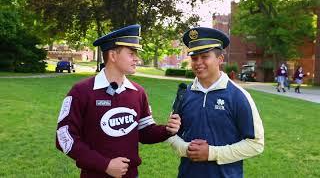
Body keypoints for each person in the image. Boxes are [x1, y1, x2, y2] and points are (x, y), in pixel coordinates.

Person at [55, 24, 181, 178]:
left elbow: (145, 132)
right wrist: (105, 165)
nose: (137, 58)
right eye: (131, 53)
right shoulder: (81, 91)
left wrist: (166, 130)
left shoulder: (138, 92)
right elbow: (64, 138)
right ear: (113, 56)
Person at [167, 27, 264, 178]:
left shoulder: (238, 96)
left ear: (220, 59)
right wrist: (186, 149)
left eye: (205, 56)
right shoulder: (183, 94)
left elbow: (256, 144)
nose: (198, 63)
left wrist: (211, 153)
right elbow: (172, 134)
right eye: (194, 58)